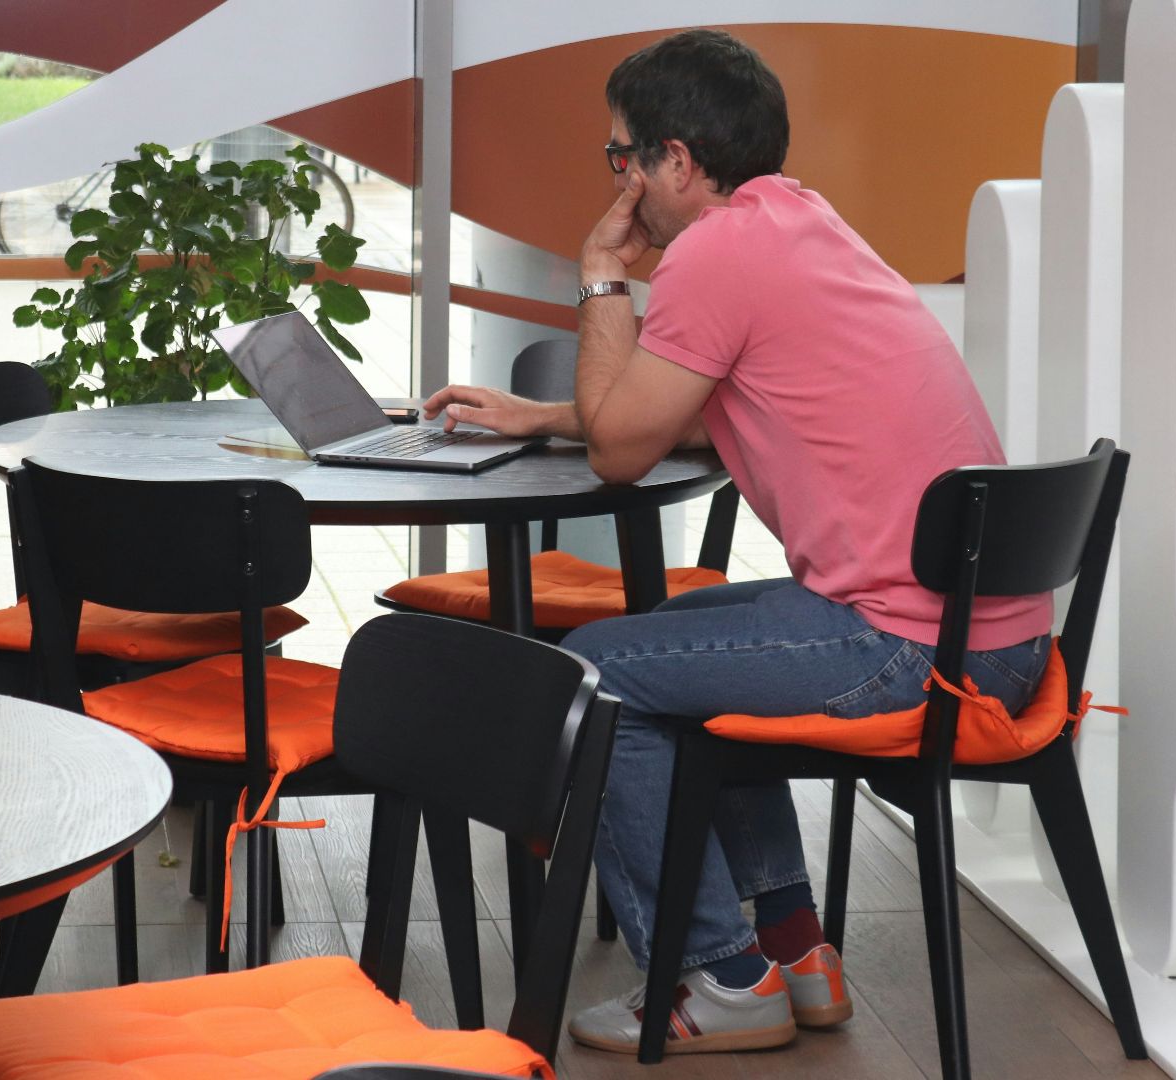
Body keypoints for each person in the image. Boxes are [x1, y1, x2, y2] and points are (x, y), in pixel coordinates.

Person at [423, 29, 1053, 1056]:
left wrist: (598, 275)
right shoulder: (795, 219)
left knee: (599, 679)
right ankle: (792, 950)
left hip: (915, 653)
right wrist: (536, 418)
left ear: (677, 160)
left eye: (621, 156)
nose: (619, 182)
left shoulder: (718, 250)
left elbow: (626, 451)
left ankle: (717, 977)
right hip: (988, 636)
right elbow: (672, 414)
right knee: (678, 639)